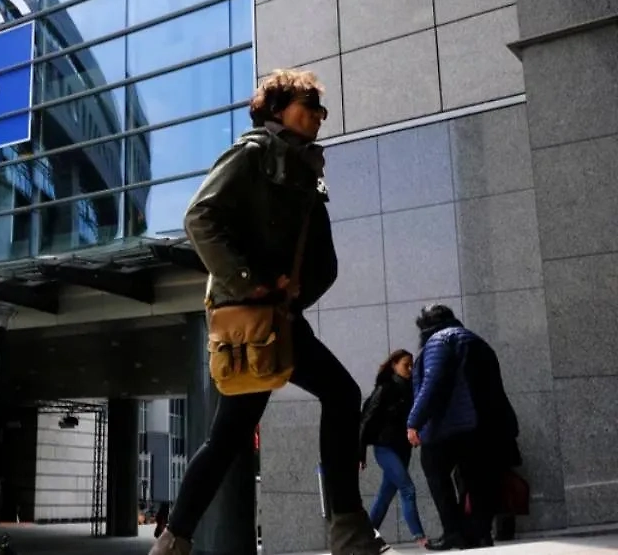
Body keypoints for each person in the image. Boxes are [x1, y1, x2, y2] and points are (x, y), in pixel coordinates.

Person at [149, 69, 386, 555]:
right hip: (250, 319)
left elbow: (321, 260)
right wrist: (250, 282)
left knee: (234, 435)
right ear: (277, 109)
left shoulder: (305, 168)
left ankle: (173, 543)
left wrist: (294, 294)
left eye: (321, 109)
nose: (318, 116)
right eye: (308, 105)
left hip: (280, 317)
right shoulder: (253, 153)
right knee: (328, 399)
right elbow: (199, 217)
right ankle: (349, 532)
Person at [408, 304, 518, 550]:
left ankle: (453, 532)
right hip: (482, 426)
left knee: (435, 472)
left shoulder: (439, 341)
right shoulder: (477, 341)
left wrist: (414, 421)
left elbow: (432, 383)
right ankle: (480, 534)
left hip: (449, 426)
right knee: (476, 480)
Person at [359, 350, 427, 547]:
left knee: (385, 494)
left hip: (403, 448)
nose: (410, 369)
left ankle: (367, 537)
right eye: (406, 365)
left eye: (412, 365)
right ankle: (420, 537)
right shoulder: (385, 389)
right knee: (408, 489)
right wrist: (360, 453)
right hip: (385, 448)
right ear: (394, 365)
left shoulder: (413, 389)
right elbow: (365, 420)